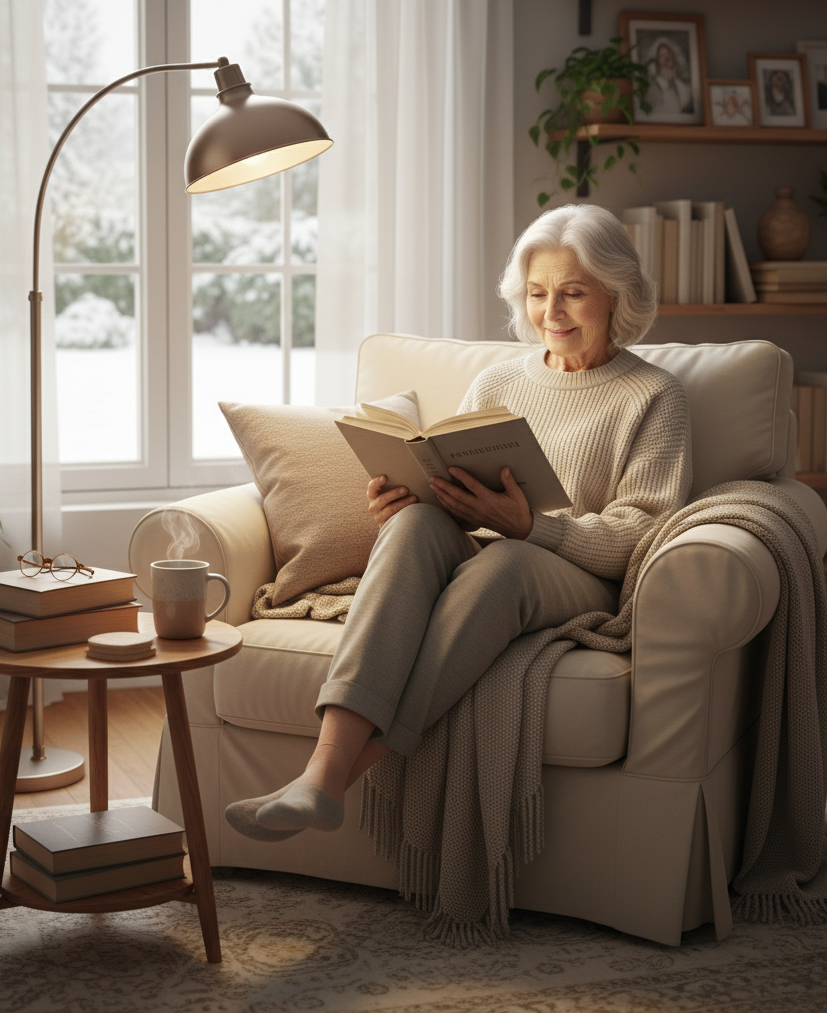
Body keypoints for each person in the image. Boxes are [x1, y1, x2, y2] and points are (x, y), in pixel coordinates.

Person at [225, 204, 693, 842]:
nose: (550, 313)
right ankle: (320, 770)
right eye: (537, 294)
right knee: (413, 530)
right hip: (492, 551)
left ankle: (336, 778)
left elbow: (639, 537)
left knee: (506, 559)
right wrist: (410, 503)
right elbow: (455, 485)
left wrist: (532, 527)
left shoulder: (655, 397)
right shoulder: (500, 381)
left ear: (617, 295)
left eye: (573, 294)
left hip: (581, 577)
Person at [646, 38, 693, 115]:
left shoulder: (683, 88)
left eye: (668, 54)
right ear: (657, 61)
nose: (666, 59)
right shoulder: (650, 88)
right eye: (662, 56)